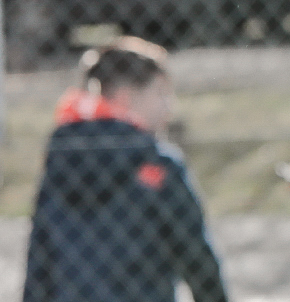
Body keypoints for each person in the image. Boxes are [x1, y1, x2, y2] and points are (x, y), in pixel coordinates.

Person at [23, 37, 229, 302]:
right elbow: (197, 259)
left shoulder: (61, 160)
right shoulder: (159, 164)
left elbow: (40, 258)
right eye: (160, 94)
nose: (169, 107)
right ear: (125, 98)